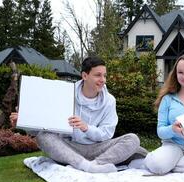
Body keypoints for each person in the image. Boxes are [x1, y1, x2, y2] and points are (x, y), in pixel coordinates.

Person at [10, 56, 148, 173]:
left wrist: (86, 127)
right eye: (98, 75)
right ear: (84, 75)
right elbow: (46, 125)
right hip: (70, 148)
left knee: (133, 140)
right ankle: (86, 166)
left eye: (104, 75)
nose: (103, 80)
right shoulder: (64, 94)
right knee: (43, 136)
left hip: (98, 148)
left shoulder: (110, 101)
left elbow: (107, 133)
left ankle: (96, 165)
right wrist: (23, 122)